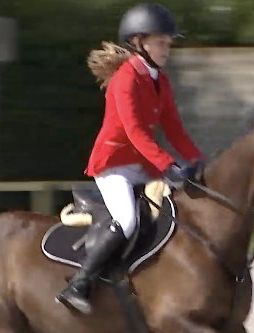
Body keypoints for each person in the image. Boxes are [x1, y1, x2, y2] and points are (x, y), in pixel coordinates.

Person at [55, 2, 205, 315]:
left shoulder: (159, 81)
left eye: (168, 42)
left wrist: (197, 161)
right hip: (114, 167)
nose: (167, 47)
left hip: (143, 166)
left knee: (178, 210)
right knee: (128, 220)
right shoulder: (126, 80)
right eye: (161, 41)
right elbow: (136, 133)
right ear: (138, 43)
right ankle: (78, 285)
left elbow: (174, 129)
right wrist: (170, 166)